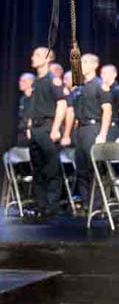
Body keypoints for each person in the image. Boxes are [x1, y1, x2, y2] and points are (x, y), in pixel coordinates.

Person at [62, 54, 112, 208]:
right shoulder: (78, 87)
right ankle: (85, 202)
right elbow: (71, 111)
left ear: (94, 65)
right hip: (81, 130)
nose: (80, 65)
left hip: (93, 127)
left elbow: (107, 110)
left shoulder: (100, 85)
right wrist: (68, 133)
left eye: (84, 62)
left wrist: (102, 134)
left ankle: (95, 204)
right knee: (81, 168)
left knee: (94, 168)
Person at [28, 47, 67, 218]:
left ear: (47, 58)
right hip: (35, 129)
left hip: (47, 127)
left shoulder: (53, 80)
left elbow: (62, 104)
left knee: (51, 168)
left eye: (36, 55)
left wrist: (55, 128)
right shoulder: (36, 81)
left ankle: (52, 205)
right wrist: (29, 126)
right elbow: (33, 106)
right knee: (37, 169)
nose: (32, 57)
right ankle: (40, 204)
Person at [100, 64, 119, 141]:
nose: (102, 76)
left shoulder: (117, 90)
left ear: (114, 74)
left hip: (114, 127)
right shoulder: (102, 90)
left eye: (105, 73)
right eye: (101, 73)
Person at [17, 72, 35, 146]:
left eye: (23, 81)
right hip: (22, 132)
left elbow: (33, 114)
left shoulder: (36, 97)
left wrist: (29, 129)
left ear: (31, 82)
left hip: (32, 131)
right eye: (20, 81)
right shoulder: (23, 99)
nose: (20, 83)